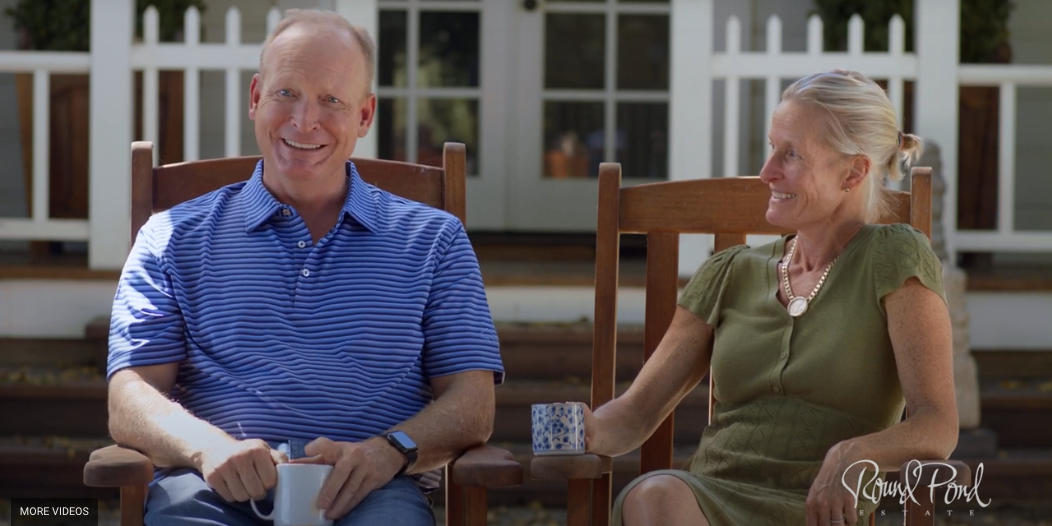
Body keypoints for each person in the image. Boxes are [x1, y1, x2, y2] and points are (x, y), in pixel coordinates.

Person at [105, 10, 503, 526]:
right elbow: (130, 394)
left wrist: (392, 450)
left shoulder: (434, 240)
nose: (304, 120)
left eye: (332, 100)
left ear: (364, 117)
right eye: (286, 93)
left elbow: (474, 402)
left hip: (373, 491)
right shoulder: (172, 236)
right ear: (255, 99)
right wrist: (208, 448)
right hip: (211, 489)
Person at [583, 70, 959, 526]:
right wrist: (587, 428)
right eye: (771, 147)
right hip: (703, 502)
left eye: (792, 154)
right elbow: (637, 413)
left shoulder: (894, 257)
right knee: (656, 497)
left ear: (854, 171)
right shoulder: (730, 272)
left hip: (818, 512)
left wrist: (853, 455)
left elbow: (937, 423)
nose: (766, 172)